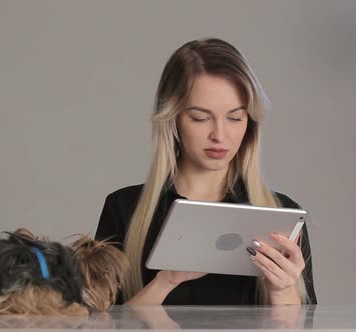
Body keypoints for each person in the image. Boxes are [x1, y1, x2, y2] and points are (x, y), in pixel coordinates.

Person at [95, 37, 317, 306]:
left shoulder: (281, 214)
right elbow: (103, 325)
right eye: (200, 118)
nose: (219, 135)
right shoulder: (124, 208)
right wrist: (167, 280)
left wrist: (283, 290)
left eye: (235, 118)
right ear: (172, 119)